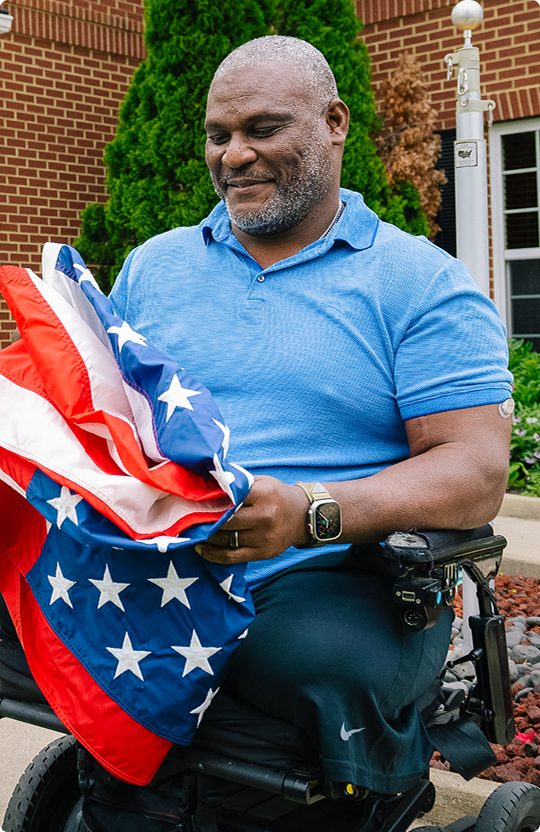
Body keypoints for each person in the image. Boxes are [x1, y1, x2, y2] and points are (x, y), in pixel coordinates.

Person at [109, 36, 513, 793]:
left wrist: (309, 512)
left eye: (263, 130)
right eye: (218, 135)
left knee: (299, 660)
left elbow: (477, 471)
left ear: (334, 123)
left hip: (341, 567)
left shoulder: (419, 282)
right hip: (169, 552)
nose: (234, 156)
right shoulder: (153, 268)